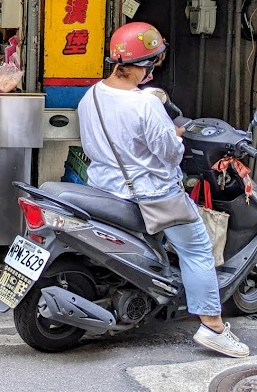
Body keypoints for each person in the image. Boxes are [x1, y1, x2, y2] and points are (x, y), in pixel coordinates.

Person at [77, 21, 249, 358]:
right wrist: (176, 134)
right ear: (143, 65)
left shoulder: (92, 95)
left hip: (104, 188)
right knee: (197, 249)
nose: (152, 71)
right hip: (151, 194)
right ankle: (213, 326)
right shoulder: (145, 104)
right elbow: (171, 154)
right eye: (152, 64)